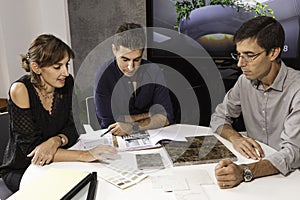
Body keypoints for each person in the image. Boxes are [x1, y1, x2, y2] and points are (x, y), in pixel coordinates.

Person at [0, 34, 117, 193]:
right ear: (36, 67)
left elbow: (75, 127)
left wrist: (56, 140)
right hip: (22, 168)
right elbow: (32, 150)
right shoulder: (20, 90)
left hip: (57, 161)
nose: (66, 73)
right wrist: (84, 155)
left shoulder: (67, 83)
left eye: (66, 65)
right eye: (57, 67)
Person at [210, 16, 300, 189]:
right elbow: (218, 118)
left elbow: (292, 154)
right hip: (255, 171)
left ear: (273, 53)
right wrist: (236, 138)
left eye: (249, 55)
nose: (240, 64)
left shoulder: (297, 89)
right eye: (239, 55)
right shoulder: (244, 81)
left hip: (290, 179)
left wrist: (244, 171)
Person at [94, 22, 174, 136]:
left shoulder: (153, 70)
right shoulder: (103, 75)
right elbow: (110, 122)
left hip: (154, 136)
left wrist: (134, 126)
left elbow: (166, 117)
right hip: (116, 139)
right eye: (125, 60)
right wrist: (148, 115)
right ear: (114, 50)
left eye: (136, 60)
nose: (131, 67)